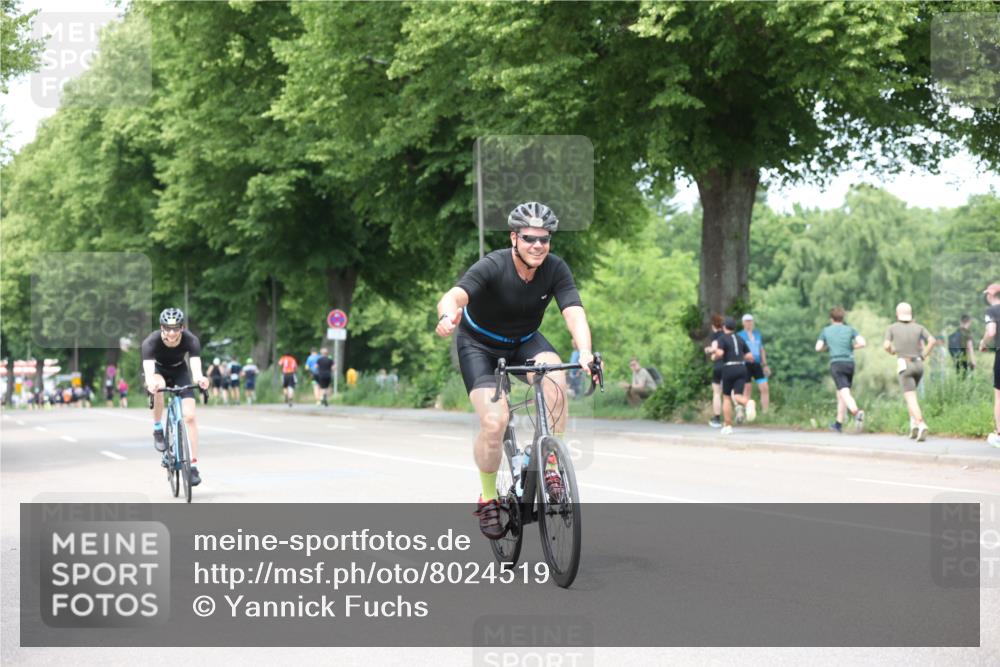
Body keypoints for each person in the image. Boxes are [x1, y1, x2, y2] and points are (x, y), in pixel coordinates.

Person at [434, 201, 595, 540]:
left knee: (555, 379)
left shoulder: (555, 268)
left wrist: (585, 352)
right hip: (479, 346)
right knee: (495, 421)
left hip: (523, 341)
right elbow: (454, 296)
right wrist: (448, 316)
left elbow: (574, 312)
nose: (537, 245)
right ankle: (488, 497)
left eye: (544, 239)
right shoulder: (494, 265)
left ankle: (550, 467)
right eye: (529, 238)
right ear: (514, 238)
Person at [141, 308, 210, 486]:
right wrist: (151, 383)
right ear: (161, 327)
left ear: (182, 327)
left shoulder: (191, 340)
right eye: (168, 328)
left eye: (176, 328)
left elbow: (196, 368)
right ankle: (158, 428)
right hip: (158, 371)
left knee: (190, 416)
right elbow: (148, 372)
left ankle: (193, 467)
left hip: (180, 371)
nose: (172, 333)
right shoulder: (151, 342)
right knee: (158, 387)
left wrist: (201, 379)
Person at [883, 302, 935, 441]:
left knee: (910, 397)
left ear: (897, 314)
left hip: (905, 365)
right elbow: (932, 340)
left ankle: (921, 423)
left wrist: (892, 351)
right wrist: (924, 355)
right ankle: (913, 426)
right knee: (911, 395)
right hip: (919, 364)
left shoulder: (892, 328)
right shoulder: (919, 327)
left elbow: (886, 345)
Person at [816, 306, 866, 432]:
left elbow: (818, 347)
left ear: (831, 319)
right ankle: (838, 423)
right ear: (842, 318)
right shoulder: (850, 329)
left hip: (837, 363)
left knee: (844, 392)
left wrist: (827, 348)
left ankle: (856, 412)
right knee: (841, 393)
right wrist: (852, 347)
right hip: (849, 363)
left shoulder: (826, 330)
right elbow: (862, 342)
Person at [712, 317, 755, 434]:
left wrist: (714, 352)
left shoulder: (722, 338)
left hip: (729, 367)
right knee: (737, 395)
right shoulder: (740, 338)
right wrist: (738, 356)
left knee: (726, 397)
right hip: (742, 368)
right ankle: (748, 402)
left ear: (724, 327)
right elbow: (750, 356)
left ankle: (728, 426)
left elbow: (720, 353)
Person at [979, 283, 1000, 448]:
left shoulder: (992, 311)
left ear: (991, 295)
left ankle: (999, 434)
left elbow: (991, 332)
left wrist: (983, 342)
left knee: (999, 396)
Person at [738, 313, 770, 414]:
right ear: (743, 323)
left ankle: (765, 412)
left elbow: (761, 350)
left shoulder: (757, 334)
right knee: (747, 389)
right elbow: (737, 351)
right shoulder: (740, 335)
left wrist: (765, 365)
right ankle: (744, 412)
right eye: (747, 321)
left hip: (757, 364)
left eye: (750, 321)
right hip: (745, 364)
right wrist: (745, 357)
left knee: (764, 387)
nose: (749, 323)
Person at [704, 313, 725, 428]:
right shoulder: (728, 335)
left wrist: (710, 352)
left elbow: (714, 351)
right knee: (731, 392)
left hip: (718, 366)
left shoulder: (715, 336)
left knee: (717, 392)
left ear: (713, 326)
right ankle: (739, 409)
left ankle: (717, 419)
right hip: (729, 366)